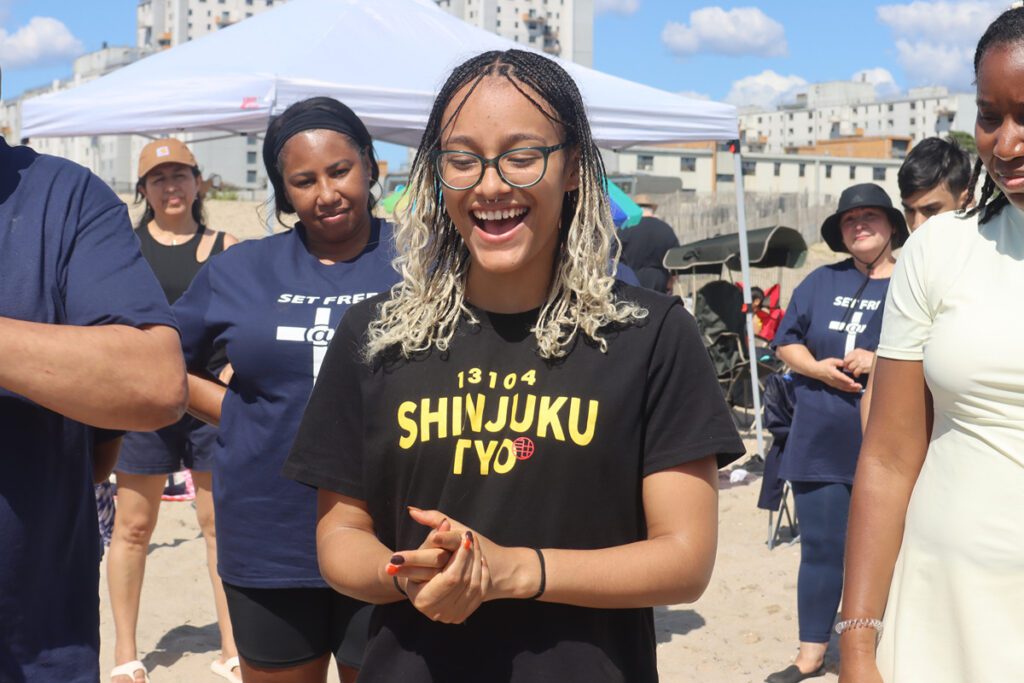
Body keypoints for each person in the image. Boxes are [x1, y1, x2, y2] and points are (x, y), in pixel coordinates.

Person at [283, 49, 745, 682]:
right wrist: (412, 572)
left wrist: (512, 572)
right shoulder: (375, 335)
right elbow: (340, 541)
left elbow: (684, 559)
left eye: (522, 157)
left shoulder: (649, 334)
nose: (491, 184)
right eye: (462, 160)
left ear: (574, 169)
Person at [172, 97, 399, 683]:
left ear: (371, 165)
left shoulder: (424, 260)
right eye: (303, 180)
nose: (326, 192)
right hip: (268, 533)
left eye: (340, 170)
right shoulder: (239, 269)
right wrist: (235, 411)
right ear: (283, 192)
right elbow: (162, 362)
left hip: (393, 532)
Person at [840, 8, 1024, 682]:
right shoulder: (941, 250)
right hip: (939, 615)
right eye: (989, 115)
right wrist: (858, 643)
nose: (1005, 145)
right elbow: (888, 458)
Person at [0, 134, 187, 681]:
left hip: (35, 639)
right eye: (159, 177)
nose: (171, 186)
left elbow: (154, 381)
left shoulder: (63, 196)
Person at [107, 139, 240, 683]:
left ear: (198, 181)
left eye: (180, 175)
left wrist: (234, 373)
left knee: (217, 527)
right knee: (134, 528)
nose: (171, 187)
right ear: (143, 190)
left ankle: (232, 646)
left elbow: (243, 320)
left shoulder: (225, 245)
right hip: (144, 401)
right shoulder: (123, 247)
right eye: (158, 178)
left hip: (208, 399)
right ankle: (124, 652)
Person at [767, 183, 908, 683]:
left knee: (889, 554)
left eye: (871, 216)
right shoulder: (818, 282)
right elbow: (785, 342)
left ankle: (871, 651)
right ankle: (810, 653)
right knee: (822, 549)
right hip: (820, 435)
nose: (860, 225)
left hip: (890, 441)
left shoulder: (912, 282)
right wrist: (819, 370)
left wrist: (881, 360)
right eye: (850, 220)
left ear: (893, 225)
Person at [858, 136, 971, 431]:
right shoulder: (908, 271)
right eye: (910, 211)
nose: (918, 224)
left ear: (966, 198)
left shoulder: (992, 265)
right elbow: (876, 390)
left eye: (931, 210)